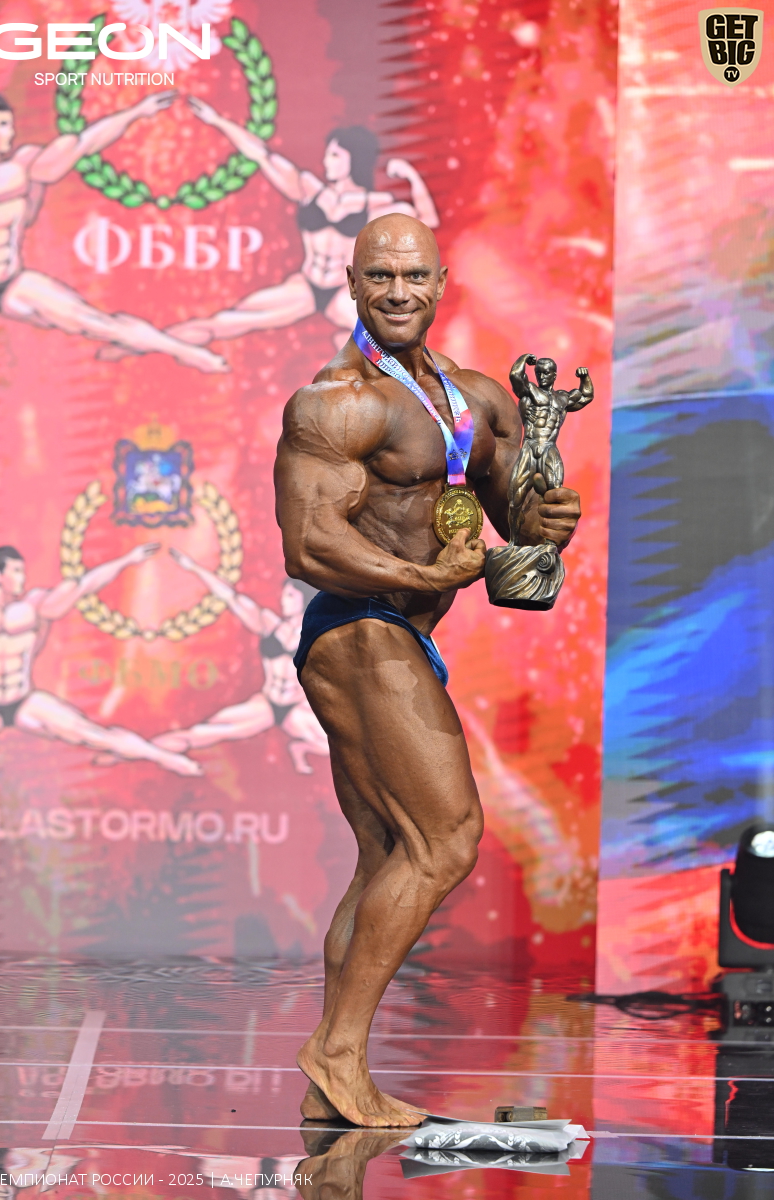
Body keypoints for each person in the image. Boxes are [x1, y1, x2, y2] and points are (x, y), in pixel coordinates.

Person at [274, 213, 583, 1126]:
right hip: (356, 627)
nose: (398, 291)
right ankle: (338, 1054)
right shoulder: (336, 403)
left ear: (442, 282)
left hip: (401, 635)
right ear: (353, 283)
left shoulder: (474, 401)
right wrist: (423, 578)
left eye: (414, 275)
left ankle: (333, 1068)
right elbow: (307, 543)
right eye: (380, 276)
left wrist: (547, 519)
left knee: (387, 854)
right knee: (446, 840)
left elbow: (519, 524)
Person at [0, 91, 226, 373]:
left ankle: (185, 351)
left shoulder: (25, 163)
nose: (12, 132)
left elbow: (85, 143)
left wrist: (135, 112)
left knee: (92, 321)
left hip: (10, 280)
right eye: (3, 125)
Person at [157, 109, 438, 352]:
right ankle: (156, 342)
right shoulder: (309, 189)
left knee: (392, 343)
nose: (326, 162)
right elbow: (261, 154)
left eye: (335, 155)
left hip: (343, 293)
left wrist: (411, 176)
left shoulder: (375, 205)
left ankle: (354, 358)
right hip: (306, 285)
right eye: (327, 155)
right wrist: (218, 121)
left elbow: (428, 221)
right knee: (228, 321)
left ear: (353, 159)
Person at [0, 544, 199, 776]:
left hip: (23, 701)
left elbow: (85, 585)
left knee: (91, 734)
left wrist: (126, 560)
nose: (23, 577)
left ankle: (165, 757)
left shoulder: (35, 605)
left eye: (22, 571)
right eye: (16, 571)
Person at [152, 551, 329, 774]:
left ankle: (300, 748)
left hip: (297, 708)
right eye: (284, 595)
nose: (284, 601)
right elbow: (230, 597)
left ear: (304, 599)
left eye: (291, 596)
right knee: (200, 734)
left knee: (340, 745)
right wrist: (193, 567)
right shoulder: (269, 624)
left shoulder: (317, 633)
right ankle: (145, 751)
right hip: (268, 703)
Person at [506, 353, 593, 543]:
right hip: (530, 446)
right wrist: (523, 359)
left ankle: (550, 543)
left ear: (554, 375)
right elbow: (515, 376)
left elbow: (586, 395)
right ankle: (513, 541)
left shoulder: (562, 398)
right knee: (515, 498)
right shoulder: (530, 391)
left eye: (546, 373)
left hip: (549, 448)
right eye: (538, 373)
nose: (542, 376)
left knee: (555, 494)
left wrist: (584, 377)